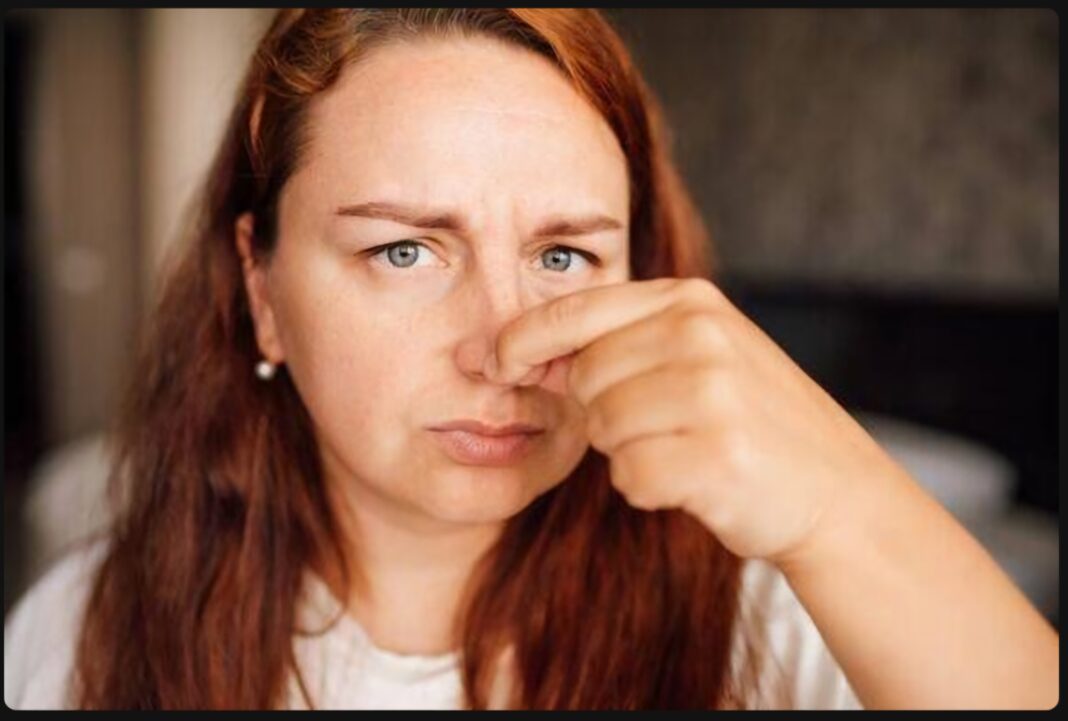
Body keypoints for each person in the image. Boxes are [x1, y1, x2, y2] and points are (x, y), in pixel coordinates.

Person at [3, 8, 1058, 710]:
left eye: (564, 253)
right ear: (262, 290)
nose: (503, 348)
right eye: (404, 249)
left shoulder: (773, 613)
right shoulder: (96, 628)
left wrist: (840, 506)